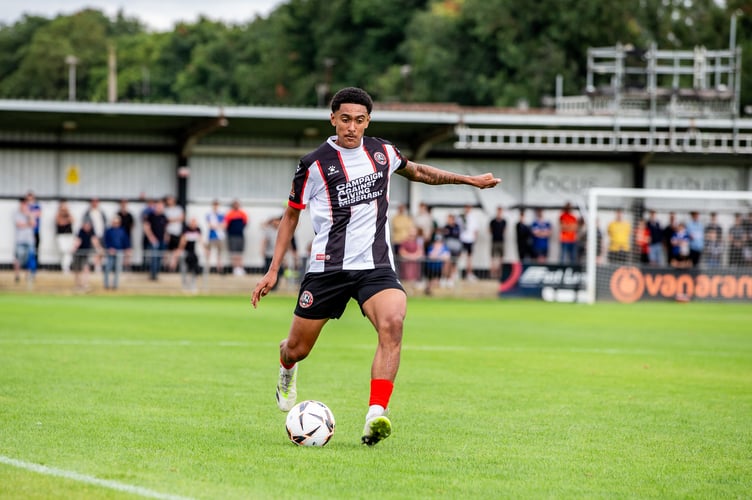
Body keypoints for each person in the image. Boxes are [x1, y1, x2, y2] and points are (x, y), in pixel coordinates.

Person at [251, 87, 500, 446]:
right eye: (345, 119)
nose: (352, 127)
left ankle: (375, 415)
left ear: (368, 121)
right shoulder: (314, 163)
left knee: (393, 323)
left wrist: (470, 180)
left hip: (375, 266)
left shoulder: (383, 152)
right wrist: (273, 270)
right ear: (333, 118)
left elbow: (419, 172)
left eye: (360, 120)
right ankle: (286, 366)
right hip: (327, 269)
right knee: (297, 348)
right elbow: (291, 216)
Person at [174, 217, 203, 292]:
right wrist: (179, 250)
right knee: (184, 269)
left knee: (194, 269)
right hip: (186, 252)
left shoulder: (198, 230)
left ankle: (193, 285)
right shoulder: (186, 229)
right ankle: (185, 285)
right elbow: (182, 241)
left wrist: (205, 249)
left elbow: (200, 240)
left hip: (193, 252)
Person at [103, 215, 131, 290]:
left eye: (117, 222)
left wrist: (127, 249)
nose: (115, 224)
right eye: (114, 222)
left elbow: (126, 241)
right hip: (110, 252)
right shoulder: (109, 231)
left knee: (117, 269)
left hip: (119, 251)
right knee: (108, 268)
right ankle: (106, 285)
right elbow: (106, 241)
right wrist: (109, 248)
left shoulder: (122, 231)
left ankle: (115, 285)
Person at [143, 199, 168, 281]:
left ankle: (156, 273)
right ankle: (153, 275)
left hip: (161, 241)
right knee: (154, 257)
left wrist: (165, 238)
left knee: (159, 258)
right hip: (154, 241)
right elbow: (146, 227)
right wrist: (151, 238)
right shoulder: (151, 216)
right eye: (159, 206)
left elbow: (165, 229)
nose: (160, 208)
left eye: (161, 206)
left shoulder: (163, 216)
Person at [71, 220, 100, 290]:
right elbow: (78, 241)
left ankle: (85, 284)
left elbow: (94, 240)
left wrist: (98, 248)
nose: (87, 227)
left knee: (86, 268)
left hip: (86, 253)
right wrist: (74, 248)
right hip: (78, 253)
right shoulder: (81, 231)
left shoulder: (92, 232)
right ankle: (78, 284)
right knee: (77, 269)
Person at [13, 197, 37, 284]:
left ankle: (28, 276)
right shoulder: (16, 213)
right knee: (18, 258)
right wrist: (28, 224)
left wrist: (29, 215)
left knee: (29, 258)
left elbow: (34, 224)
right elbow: (19, 224)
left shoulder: (30, 213)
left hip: (29, 240)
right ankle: (17, 276)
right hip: (20, 240)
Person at [225, 199, 248, 276]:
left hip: (240, 235)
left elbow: (245, 223)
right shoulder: (229, 214)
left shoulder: (242, 213)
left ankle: (240, 268)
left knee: (239, 252)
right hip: (232, 235)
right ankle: (235, 268)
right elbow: (226, 225)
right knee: (234, 252)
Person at [440, 213, 462, 286]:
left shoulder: (457, 227)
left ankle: (450, 279)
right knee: (446, 264)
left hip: (455, 249)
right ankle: (444, 278)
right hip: (447, 248)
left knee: (453, 264)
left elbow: (458, 238)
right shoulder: (446, 227)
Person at [164, 195, 185, 270]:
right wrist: (176, 219)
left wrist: (172, 220)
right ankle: (167, 266)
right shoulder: (166, 209)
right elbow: (166, 220)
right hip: (169, 232)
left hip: (177, 232)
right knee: (168, 251)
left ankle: (173, 267)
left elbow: (182, 218)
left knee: (176, 250)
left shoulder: (178, 209)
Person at [458, 204, 479, 280]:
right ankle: (457, 273)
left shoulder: (473, 217)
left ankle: (469, 273)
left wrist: (474, 238)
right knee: (460, 256)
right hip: (462, 239)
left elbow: (476, 229)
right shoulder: (461, 217)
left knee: (469, 258)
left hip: (470, 240)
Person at [55, 199, 75, 273]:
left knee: (69, 251)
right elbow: (60, 222)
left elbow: (73, 220)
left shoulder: (68, 213)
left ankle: (66, 266)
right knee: (64, 250)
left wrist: (67, 212)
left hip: (69, 234)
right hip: (61, 235)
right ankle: (64, 266)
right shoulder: (58, 214)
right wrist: (67, 220)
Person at [206, 199, 226, 274]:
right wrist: (218, 226)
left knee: (219, 254)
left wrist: (216, 226)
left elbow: (224, 225)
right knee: (209, 253)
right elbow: (210, 226)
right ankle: (207, 270)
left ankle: (219, 270)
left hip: (219, 237)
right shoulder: (209, 215)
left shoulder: (221, 215)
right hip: (211, 236)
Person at [489, 206, 506, 279]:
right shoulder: (492, 221)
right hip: (494, 241)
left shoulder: (504, 221)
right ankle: (492, 274)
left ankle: (500, 274)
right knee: (493, 258)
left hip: (501, 241)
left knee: (501, 258)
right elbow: (490, 230)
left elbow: (504, 231)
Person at [117, 199, 135, 268]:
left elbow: (132, 225)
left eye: (125, 204)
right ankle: (119, 266)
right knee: (119, 252)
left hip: (127, 236)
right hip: (119, 236)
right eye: (122, 204)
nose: (124, 205)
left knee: (128, 251)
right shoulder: (118, 214)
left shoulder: (130, 215)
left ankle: (126, 266)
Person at [26, 191, 41, 256]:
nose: (30, 201)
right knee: (27, 247)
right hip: (27, 230)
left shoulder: (37, 206)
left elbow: (38, 214)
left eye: (31, 199)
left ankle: (35, 263)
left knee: (36, 247)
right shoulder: (26, 206)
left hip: (35, 230)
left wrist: (30, 214)